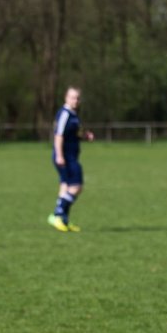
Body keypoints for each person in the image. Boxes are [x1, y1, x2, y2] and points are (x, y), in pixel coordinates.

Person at [48, 86, 94, 232]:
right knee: (77, 186)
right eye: (73, 97)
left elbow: (74, 133)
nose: (76, 100)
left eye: (78, 98)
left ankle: (63, 221)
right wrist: (60, 155)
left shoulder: (73, 115)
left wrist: (85, 135)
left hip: (70, 156)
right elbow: (58, 135)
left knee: (65, 186)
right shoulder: (65, 114)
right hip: (66, 157)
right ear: (66, 98)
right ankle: (57, 214)